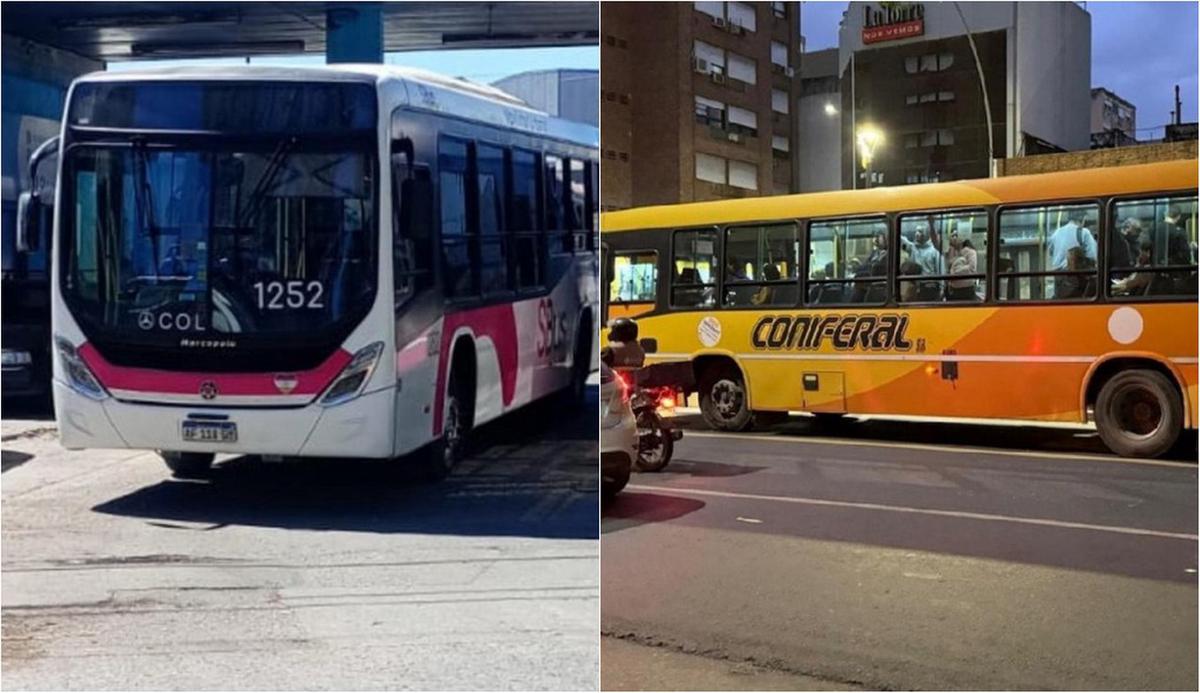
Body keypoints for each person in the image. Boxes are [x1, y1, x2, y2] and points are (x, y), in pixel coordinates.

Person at [1046, 211, 1097, 298]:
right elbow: (1092, 257)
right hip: (1076, 278)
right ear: (1081, 219)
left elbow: (1051, 252)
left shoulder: (1056, 233)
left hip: (1058, 278)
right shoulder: (1084, 233)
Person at [901, 224, 944, 299]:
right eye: (916, 231)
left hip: (930, 287)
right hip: (916, 286)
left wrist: (942, 287)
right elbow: (902, 240)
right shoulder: (914, 248)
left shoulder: (933, 251)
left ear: (926, 234)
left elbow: (941, 270)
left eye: (920, 231)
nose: (916, 234)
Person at [944, 227, 978, 301]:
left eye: (956, 235)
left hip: (966, 290)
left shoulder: (970, 252)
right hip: (952, 290)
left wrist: (954, 273)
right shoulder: (949, 252)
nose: (954, 238)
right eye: (952, 236)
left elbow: (971, 269)